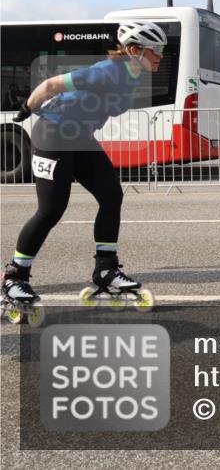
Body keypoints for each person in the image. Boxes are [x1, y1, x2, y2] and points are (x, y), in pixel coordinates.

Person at [1, 21, 166, 309]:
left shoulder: (133, 76)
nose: (161, 57)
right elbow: (50, 86)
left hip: (79, 136)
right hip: (53, 132)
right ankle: (15, 276)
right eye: (157, 51)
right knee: (51, 209)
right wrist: (28, 108)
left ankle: (105, 269)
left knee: (111, 194)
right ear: (135, 50)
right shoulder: (107, 71)